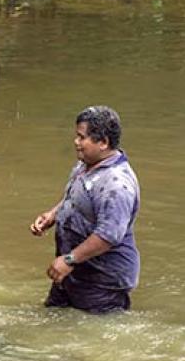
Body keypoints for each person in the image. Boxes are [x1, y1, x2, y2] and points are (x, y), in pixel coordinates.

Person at [30, 106, 140, 313]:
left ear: (103, 142)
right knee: (53, 319)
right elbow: (76, 199)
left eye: (82, 137)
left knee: (88, 337)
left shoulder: (116, 184)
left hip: (101, 281)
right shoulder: (87, 165)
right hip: (75, 271)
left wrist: (69, 259)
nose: (76, 142)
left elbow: (108, 235)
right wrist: (53, 215)